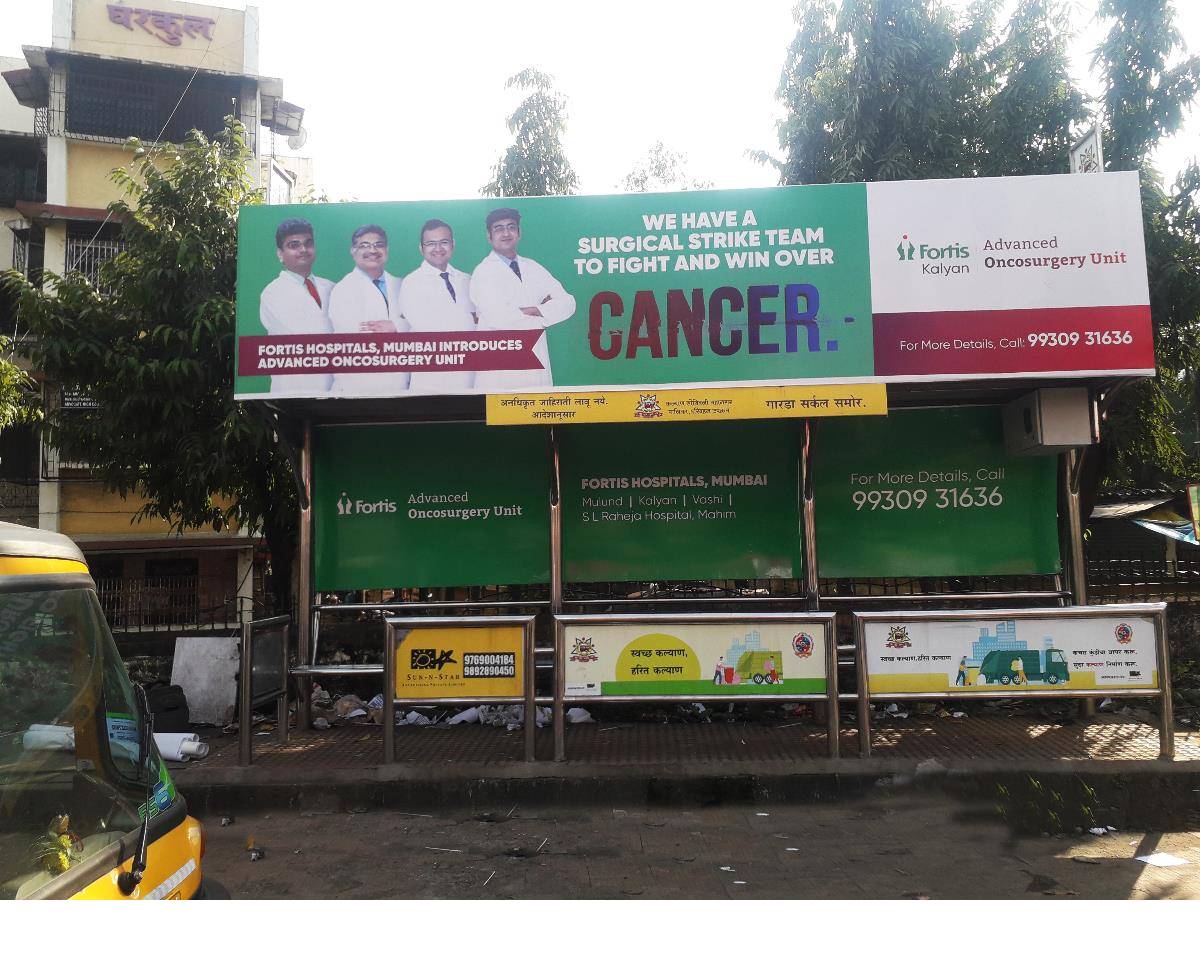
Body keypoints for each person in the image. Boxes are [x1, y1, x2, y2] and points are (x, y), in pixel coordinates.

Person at [469, 207, 576, 391]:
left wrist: (534, 310)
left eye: (511, 227)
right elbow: (499, 318)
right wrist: (544, 312)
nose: (506, 233)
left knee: (539, 416)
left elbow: (568, 303)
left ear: (519, 232)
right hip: (501, 369)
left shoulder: (533, 267)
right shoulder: (484, 272)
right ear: (489, 235)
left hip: (536, 365)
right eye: (498, 228)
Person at [398, 219, 477, 393]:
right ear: (421, 248)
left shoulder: (467, 280)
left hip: (468, 374)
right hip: (430, 379)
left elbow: (481, 321)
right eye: (431, 243)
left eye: (444, 242)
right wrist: (469, 319)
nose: (438, 248)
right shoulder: (412, 283)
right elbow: (428, 327)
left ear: (453, 244)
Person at [328, 224, 408, 395]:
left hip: (401, 384)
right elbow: (357, 336)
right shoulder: (342, 290)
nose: (373, 250)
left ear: (387, 249)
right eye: (364, 245)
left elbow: (419, 326)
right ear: (353, 250)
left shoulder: (401, 285)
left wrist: (396, 326)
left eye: (378, 245)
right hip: (358, 388)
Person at [258, 218, 334, 395]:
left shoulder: (330, 287)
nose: (303, 250)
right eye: (294, 245)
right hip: (294, 394)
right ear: (280, 253)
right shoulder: (272, 293)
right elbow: (309, 336)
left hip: (335, 391)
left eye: (308, 243)